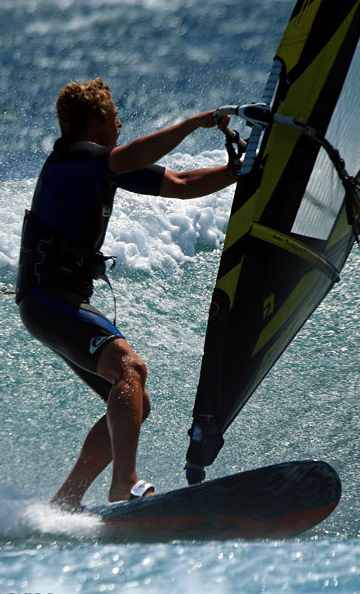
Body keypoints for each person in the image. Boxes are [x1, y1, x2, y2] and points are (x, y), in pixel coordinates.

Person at [16, 78, 236, 511]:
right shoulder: (73, 158)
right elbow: (127, 157)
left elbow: (182, 181)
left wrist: (236, 173)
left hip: (59, 301)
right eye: (112, 114)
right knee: (130, 369)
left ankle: (65, 502)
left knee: (135, 399)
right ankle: (124, 484)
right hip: (48, 298)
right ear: (95, 122)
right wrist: (194, 123)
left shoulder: (99, 165)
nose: (119, 121)